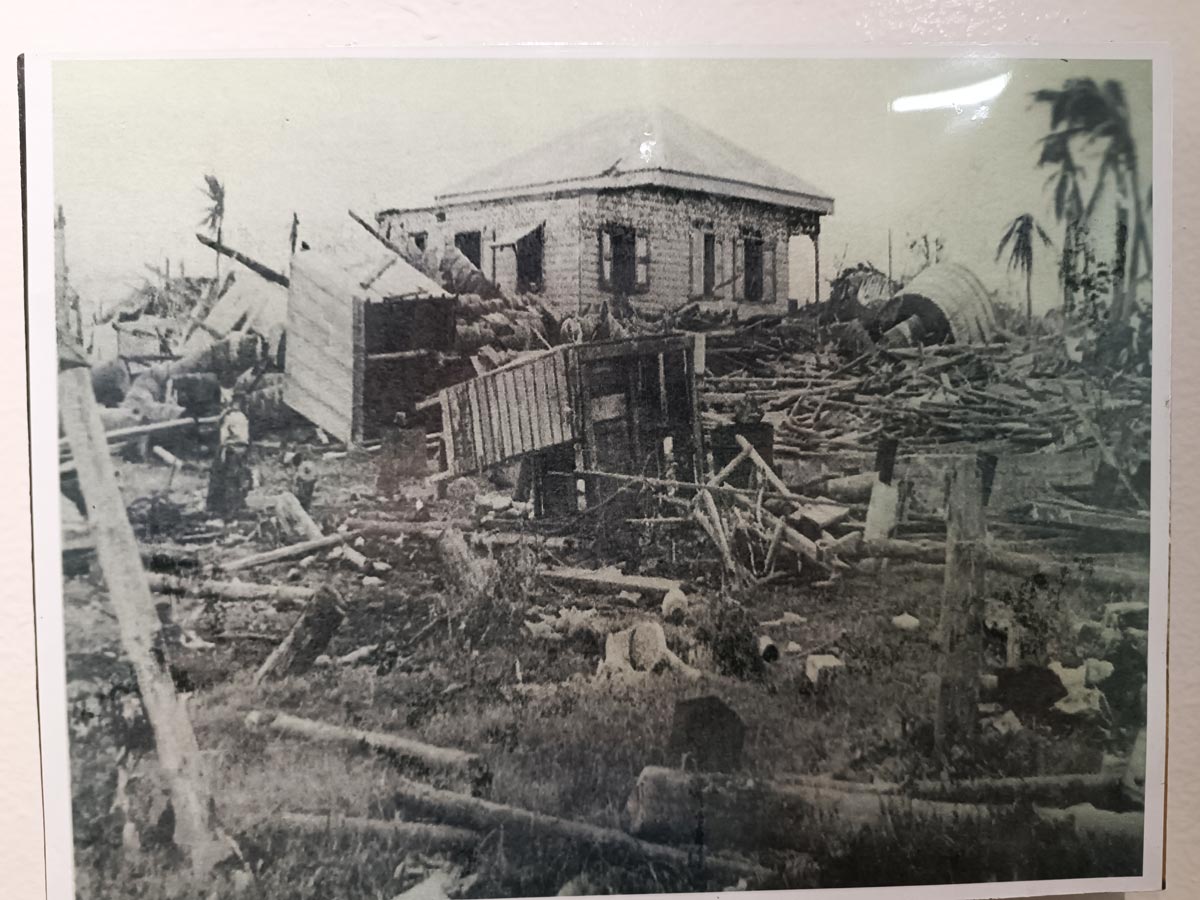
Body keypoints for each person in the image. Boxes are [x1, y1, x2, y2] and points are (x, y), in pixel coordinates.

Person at [206, 392, 252, 519]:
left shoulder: (234, 416)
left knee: (229, 480)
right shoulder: (240, 416)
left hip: (232, 449)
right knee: (233, 479)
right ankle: (230, 508)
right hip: (237, 449)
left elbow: (226, 435)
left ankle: (227, 511)